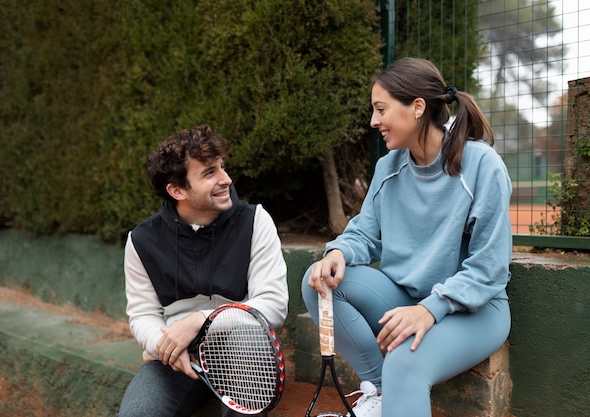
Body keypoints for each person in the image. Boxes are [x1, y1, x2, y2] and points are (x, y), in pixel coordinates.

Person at [302, 57, 512, 417]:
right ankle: (381, 393)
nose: (373, 121)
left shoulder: (481, 165)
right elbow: (365, 233)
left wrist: (429, 310)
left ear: (417, 107)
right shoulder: (388, 166)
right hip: (409, 299)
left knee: (404, 362)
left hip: (473, 310)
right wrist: (339, 252)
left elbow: (489, 269)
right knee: (317, 281)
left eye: (381, 109)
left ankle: (395, 383)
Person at [117, 125, 289, 417]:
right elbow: (142, 314)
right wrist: (164, 345)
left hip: (241, 345)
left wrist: (201, 321)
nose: (226, 180)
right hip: (175, 358)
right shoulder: (142, 241)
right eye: (209, 173)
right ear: (177, 190)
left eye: (222, 167)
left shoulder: (254, 221)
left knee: (249, 343)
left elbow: (272, 304)